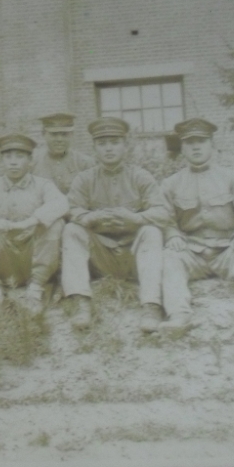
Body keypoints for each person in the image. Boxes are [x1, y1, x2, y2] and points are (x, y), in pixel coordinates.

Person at [160, 118, 234, 334]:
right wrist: (172, 234)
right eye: (190, 143)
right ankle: (179, 315)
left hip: (227, 250)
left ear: (212, 144)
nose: (196, 147)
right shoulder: (171, 184)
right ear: (182, 147)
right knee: (170, 257)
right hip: (191, 253)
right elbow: (164, 217)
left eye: (201, 141)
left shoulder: (232, 178)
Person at [61, 117, 168, 331]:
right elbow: (72, 208)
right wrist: (87, 217)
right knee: (72, 230)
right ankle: (81, 302)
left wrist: (137, 218)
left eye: (114, 142)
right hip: (101, 257)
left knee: (151, 231)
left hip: (134, 256)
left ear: (125, 145)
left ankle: (151, 305)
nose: (108, 149)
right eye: (102, 144)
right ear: (94, 148)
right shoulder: (84, 179)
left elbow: (163, 212)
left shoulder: (140, 176)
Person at [0, 134, 68, 307]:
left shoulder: (43, 184)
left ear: (30, 160)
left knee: (56, 224)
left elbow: (61, 203)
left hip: (33, 256)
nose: (13, 162)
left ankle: (36, 287)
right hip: (2, 258)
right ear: (1, 160)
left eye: (20, 157)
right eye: (8, 157)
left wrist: (30, 221)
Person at [31, 113, 96, 195]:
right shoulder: (32, 163)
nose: (59, 139)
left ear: (72, 134)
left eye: (64, 134)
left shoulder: (85, 164)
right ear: (43, 134)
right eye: (54, 134)